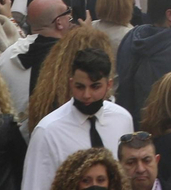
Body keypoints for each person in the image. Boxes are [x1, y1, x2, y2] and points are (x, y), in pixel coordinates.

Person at [22, 47, 135, 190]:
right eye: (80, 87)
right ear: (71, 83)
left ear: (109, 85)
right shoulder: (48, 132)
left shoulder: (122, 120)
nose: (86, 95)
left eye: (95, 87)